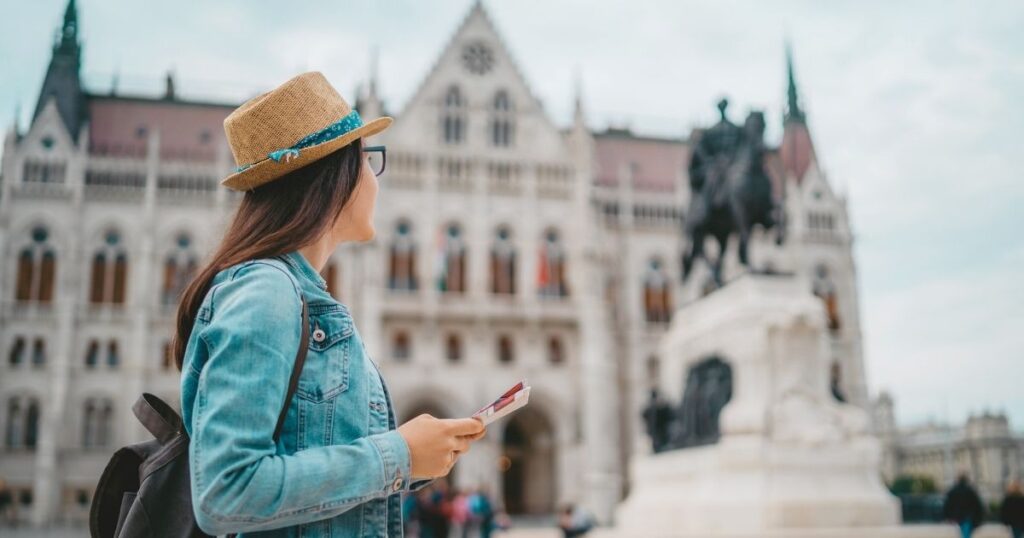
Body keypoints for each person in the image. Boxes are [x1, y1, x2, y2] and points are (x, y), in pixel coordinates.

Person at [174, 71, 486, 537]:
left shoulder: (296, 293)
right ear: (335, 177)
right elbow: (226, 491)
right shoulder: (267, 292)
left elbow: (309, 449)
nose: (375, 181)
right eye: (368, 160)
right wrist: (397, 454)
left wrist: (417, 457)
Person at [942, 473, 985, 538]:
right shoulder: (970, 491)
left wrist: (947, 516)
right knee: (966, 532)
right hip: (969, 515)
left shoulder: (954, 491)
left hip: (958, 515)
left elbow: (947, 504)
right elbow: (977, 505)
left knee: (964, 531)